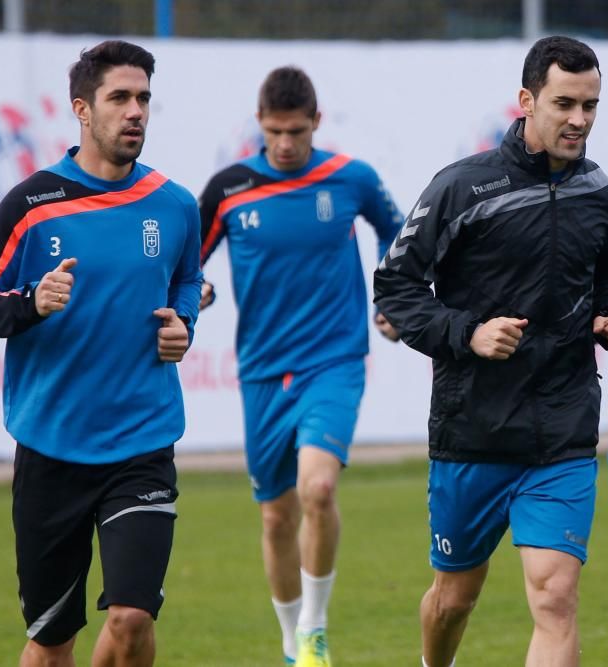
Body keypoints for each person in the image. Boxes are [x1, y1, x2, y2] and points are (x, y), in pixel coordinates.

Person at [374, 35, 608, 667]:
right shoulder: (461, 188)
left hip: (563, 432)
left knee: (556, 597)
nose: (580, 120)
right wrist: (467, 333)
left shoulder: (599, 191)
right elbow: (396, 287)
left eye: (591, 105)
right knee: (454, 597)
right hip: (474, 431)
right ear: (526, 101)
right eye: (565, 103)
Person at [0, 40, 202, 667]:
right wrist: (31, 303)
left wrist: (183, 325)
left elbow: (186, 281)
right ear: (83, 109)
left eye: (143, 98)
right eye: (119, 98)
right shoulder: (30, 206)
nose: (135, 111)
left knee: (133, 618)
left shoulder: (174, 204)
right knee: (52, 643)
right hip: (52, 449)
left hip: (141, 443)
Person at [197, 66, 403, 667]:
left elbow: (399, 235)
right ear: (259, 125)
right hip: (263, 371)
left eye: (295, 131)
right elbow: (189, 264)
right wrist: (197, 294)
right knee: (275, 516)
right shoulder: (230, 189)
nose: (285, 144)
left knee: (317, 488)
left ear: (316, 122)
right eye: (274, 132)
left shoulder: (351, 179)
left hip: (334, 359)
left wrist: (389, 298)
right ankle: (292, 642)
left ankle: (314, 627)